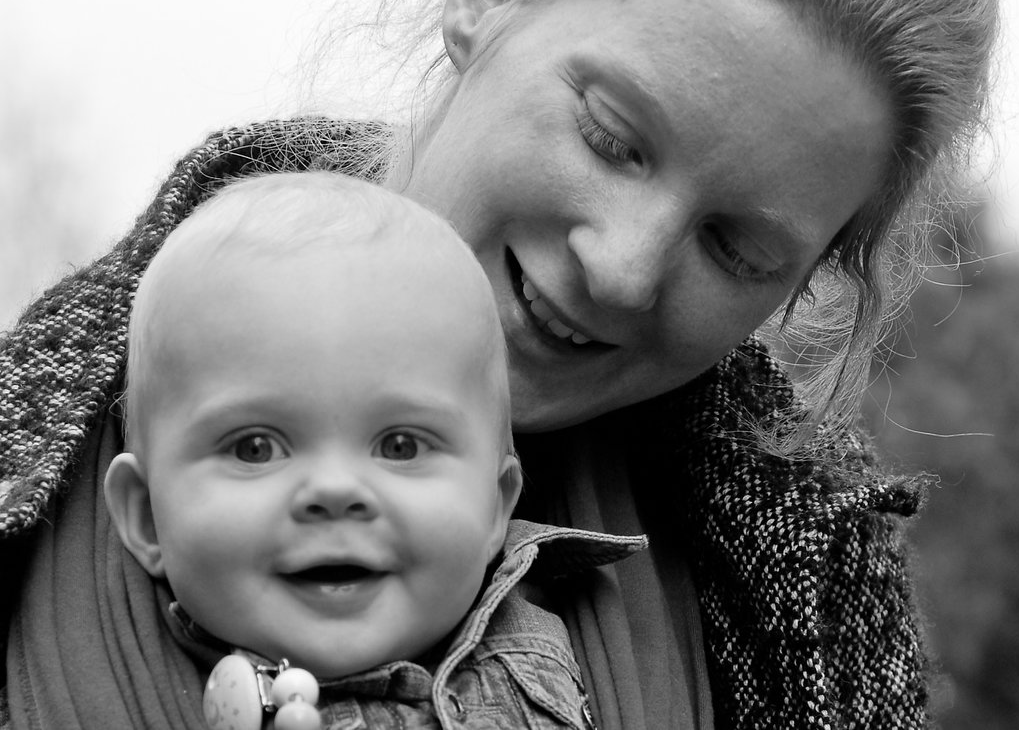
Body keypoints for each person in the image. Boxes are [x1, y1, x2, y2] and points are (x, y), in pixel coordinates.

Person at [0, 0, 1000, 727]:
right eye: (611, 139)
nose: (621, 270)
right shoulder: (40, 437)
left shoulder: (813, 594)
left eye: (733, 248)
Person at [95, 170, 643, 729]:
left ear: (494, 506)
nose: (334, 489)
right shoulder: (108, 687)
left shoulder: (579, 619)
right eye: (255, 448)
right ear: (146, 514)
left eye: (400, 446)